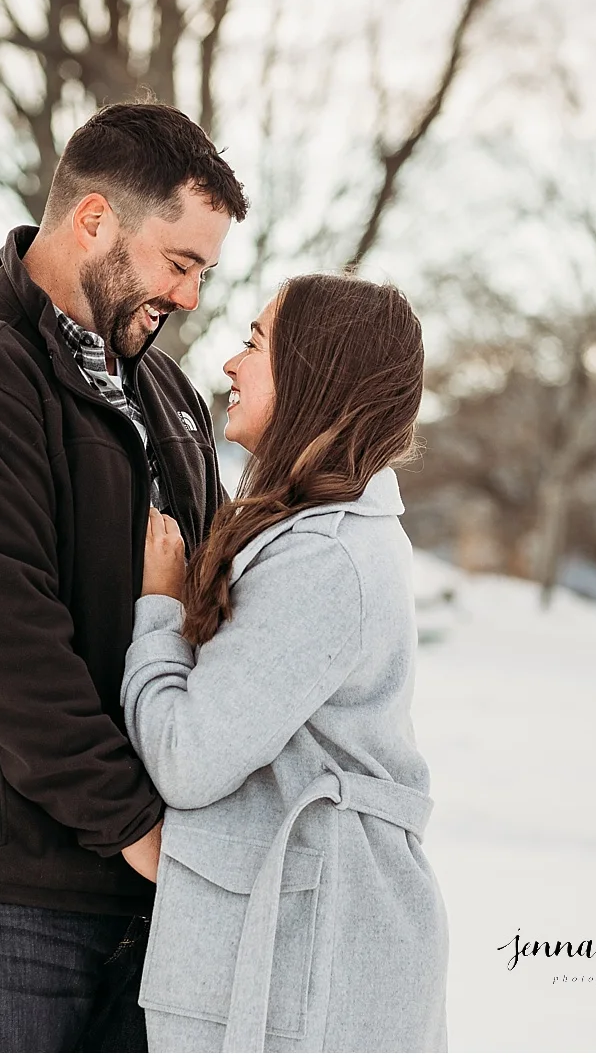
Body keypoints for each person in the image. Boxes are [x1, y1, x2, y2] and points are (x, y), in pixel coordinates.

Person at [0, 100, 250, 1051]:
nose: (190, 296)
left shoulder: (167, 395)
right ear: (93, 221)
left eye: (203, 271)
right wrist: (138, 826)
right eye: (180, 262)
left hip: (146, 884)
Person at [122, 275, 448, 1052]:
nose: (231, 364)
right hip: (301, 940)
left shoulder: (327, 557)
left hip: (315, 959)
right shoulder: (314, 536)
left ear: (313, 371)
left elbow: (189, 757)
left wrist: (161, 607)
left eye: (256, 343)